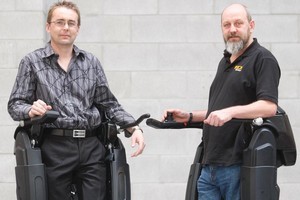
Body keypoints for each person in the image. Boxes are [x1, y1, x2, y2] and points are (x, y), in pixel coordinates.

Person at [7, 1, 145, 200]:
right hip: (54, 146)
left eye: (71, 23)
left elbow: (109, 104)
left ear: (78, 28)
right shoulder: (31, 62)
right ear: (48, 26)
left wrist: (134, 128)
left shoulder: (91, 63)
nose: (65, 27)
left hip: (91, 146)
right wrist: (30, 109)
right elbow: (15, 105)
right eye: (60, 22)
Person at [162, 4, 280, 200]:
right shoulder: (225, 62)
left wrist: (230, 112)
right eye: (226, 25)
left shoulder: (263, 58)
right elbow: (219, 110)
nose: (232, 29)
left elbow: (269, 107)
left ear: (251, 25)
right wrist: (190, 116)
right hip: (210, 167)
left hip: (238, 165)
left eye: (238, 23)